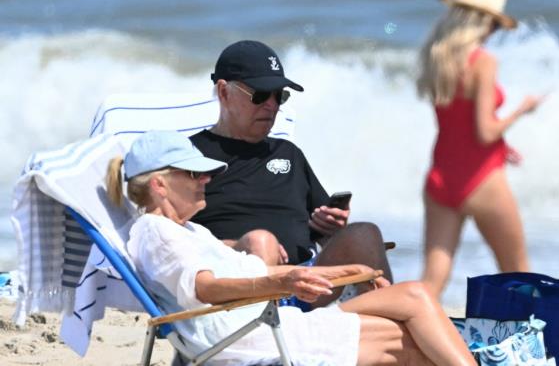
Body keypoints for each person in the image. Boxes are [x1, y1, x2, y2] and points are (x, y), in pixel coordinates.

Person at [106, 130, 476, 365]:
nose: (207, 179)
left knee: (412, 301)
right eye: (193, 173)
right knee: (408, 333)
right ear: (159, 185)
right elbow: (206, 288)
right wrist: (286, 286)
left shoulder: (189, 232)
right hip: (249, 338)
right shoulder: (155, 232)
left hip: (266, 324)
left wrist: (338, 273)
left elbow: (256, 271)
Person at [189, 40, 392, 305]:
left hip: (309, 285)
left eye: (279, 96)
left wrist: (327, 226)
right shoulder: (190, 157)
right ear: (224, 92)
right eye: (260, 95)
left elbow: (321, 234)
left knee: (364, 233)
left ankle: (396, 327)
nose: (272, 105)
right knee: (262, 244)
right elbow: (171, 236)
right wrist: (238, 248)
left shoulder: (288, 154)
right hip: (242, 288)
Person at [416, 0, 542, 297]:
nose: (493, 32)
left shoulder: (437, 59)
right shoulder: (483, 61)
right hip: (482, 179)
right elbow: (485, 132)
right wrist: (520, 111)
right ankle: (532, 343)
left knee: (432, 282)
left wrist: (504, 146)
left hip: (441, 177)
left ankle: (409, 340)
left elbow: (456, 124)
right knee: (518, 272)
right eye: (495, 25)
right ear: (483, 22)